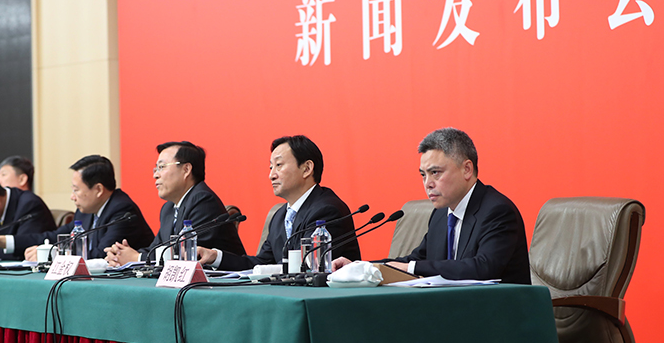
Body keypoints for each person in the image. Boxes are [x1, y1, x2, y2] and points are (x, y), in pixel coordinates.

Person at [333, 127, 531, 284]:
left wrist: (411, 268)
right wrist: (360, 267)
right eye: (423, 175)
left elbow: (483, 268)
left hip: (499, 314)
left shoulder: (497, 211)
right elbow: (416, 259)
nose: (427, 183)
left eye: (435, 172)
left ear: (467, 169)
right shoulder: (441, 215)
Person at [198, 135, 360, 270]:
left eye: (279, 165)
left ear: (307, 169)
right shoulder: (280, 215)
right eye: (271, 167)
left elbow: (308, 267)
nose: (271, 175)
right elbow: (261, 263)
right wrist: (215, 256)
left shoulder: (327, 210)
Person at [105, 141, 245, 265]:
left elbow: (187, 253)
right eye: (156, 168)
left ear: (186, 170)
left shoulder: (203, 200)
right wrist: (121, 255)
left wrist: (137, 258)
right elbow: (157, 248)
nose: (155, 175)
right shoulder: (169, 208)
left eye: (162, 167)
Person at [0, 155, 155, 260]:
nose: (72, 197)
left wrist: (50, 255)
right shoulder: (86, 210)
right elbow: (55, 236)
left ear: (98, 190)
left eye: (76, 190)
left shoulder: (123, 211)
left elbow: (101, 255)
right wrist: (5, 241)